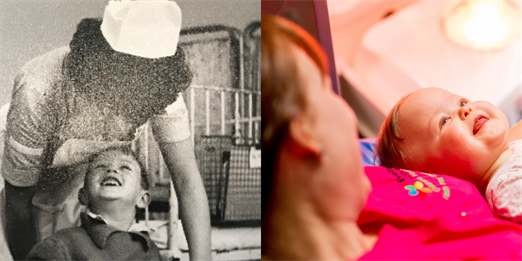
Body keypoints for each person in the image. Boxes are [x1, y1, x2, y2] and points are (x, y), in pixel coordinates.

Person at [261, 15, 522, 261]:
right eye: (324, 86)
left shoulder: (370, 179)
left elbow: (499, 154)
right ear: (306, 132)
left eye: (463, 101)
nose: (347, 113)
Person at [2, 1, 210, 260]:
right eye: (125, 75)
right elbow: (17, 202)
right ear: (100, 59)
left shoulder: (161, 88)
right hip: (9, 173)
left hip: (64, 178)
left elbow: (187, 181)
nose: (133, 88)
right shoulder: (39, 89)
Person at [375, 87, 522, 223]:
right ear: (439, 176)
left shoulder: (512, 150)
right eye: (444, 121)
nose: (466, 109)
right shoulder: (506, 188)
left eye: (461, 102)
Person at [26, 147, 162, 261]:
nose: (111, 170)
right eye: (100, 166)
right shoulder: (61, 245)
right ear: (83, 196)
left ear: (142, 199)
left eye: (125, 167)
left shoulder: (150, 250)